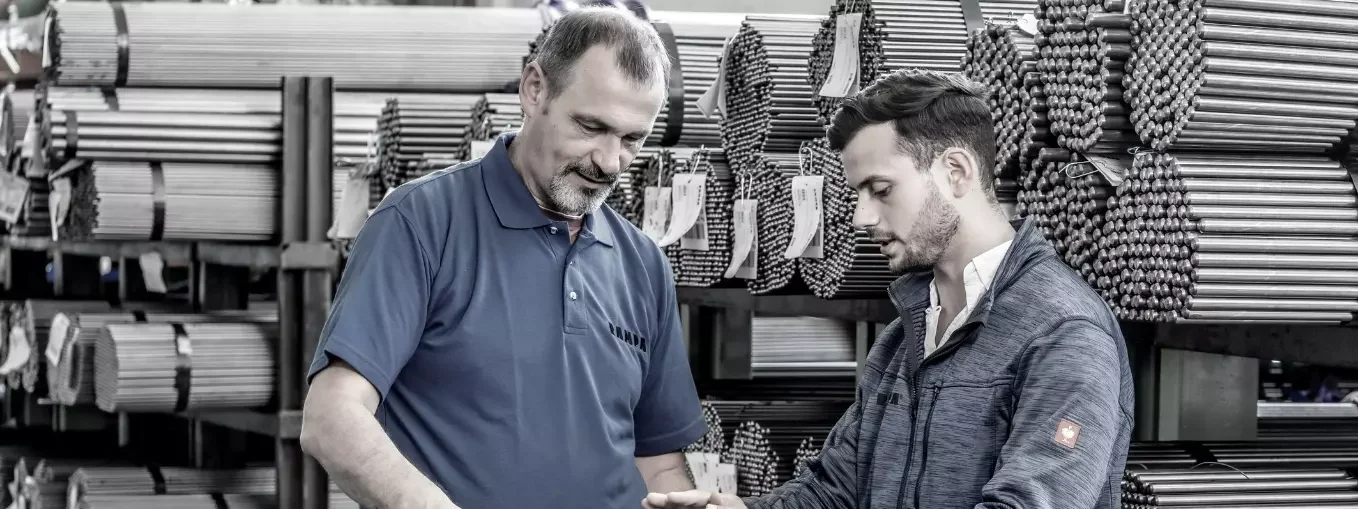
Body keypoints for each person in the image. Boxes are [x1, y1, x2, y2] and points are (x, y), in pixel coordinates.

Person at [645, 69, 1134, 509]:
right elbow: (833, 491)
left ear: (956, 172)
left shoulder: (1064, 333)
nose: (862, 217)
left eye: (881, 190)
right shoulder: (904, 337)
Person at [299, 8, 705, 509]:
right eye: (590, 126)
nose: (609, 161)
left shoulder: (643, 264)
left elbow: (659, 461)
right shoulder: (421, 223)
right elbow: (331, 417)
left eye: (631, 140)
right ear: (534, 90)